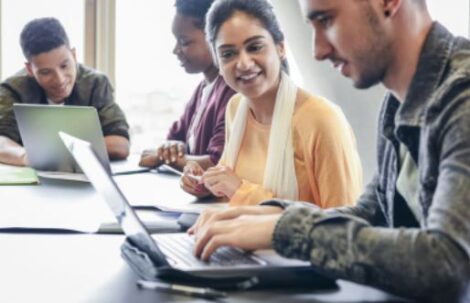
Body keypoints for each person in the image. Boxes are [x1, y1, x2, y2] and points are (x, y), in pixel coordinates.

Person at [189, 0, 470, 302]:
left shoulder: (461, 100)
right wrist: (268, 217)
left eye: (326, 21)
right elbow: (371, 214)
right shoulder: (397, 100)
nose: (318, 50)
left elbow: (447, 266)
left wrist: (288, 230)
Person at [180, 0, 362, 207]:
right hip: (239, 236)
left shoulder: (322, 120)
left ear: (281, 48)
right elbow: (231, 191)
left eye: (255, 47)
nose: (244, 64)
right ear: (218, 64)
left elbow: (343, 226)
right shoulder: (236, 108)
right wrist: (206, 184)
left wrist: (240, 190)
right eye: (228, 54)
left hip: (289, 240)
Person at [0, 17, 130, 167]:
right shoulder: (13, 89)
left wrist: (56, 152)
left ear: (74, 55)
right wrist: (27, 157)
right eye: (46, 72)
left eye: (64, 66)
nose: (60, 79)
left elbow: (120, 144)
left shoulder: (95, 84)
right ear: (30, 69)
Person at [139, 0, 236, 171]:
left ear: (213, 38)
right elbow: (174, 138)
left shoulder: (232, 91)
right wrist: (171, 148)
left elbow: (218, 163)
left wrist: (163, 158)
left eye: (184, 42)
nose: (176, 50)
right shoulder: (202, 89)